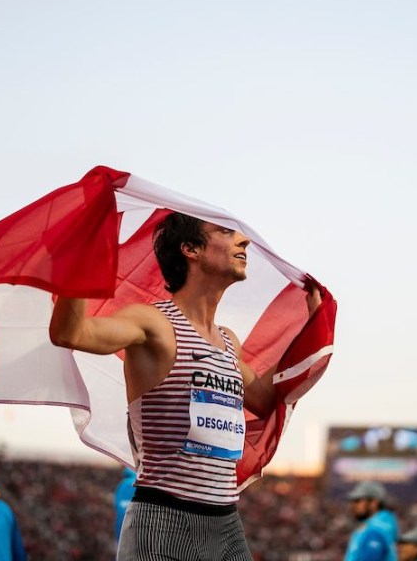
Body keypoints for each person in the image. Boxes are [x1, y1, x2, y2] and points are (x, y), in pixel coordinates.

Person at [50, 212, 321, 560]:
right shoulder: (153, 323)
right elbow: (71, 333)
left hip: (227, 525)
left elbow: (268, 400)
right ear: (190, 248)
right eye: (226, 232)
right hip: (163, 523)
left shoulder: (228, 343)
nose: (245, 241)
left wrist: (312, 332)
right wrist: (80, 262)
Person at [344, 481, 399, 561]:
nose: (352, 506)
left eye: (357, 501)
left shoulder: (375, 531)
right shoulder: (379, 527)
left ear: (374, 502)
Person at [114, 466, 137, 541]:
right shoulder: (141, 484)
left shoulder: (123, 485)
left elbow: (119, 506)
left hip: (122, 528)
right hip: (137, 529)